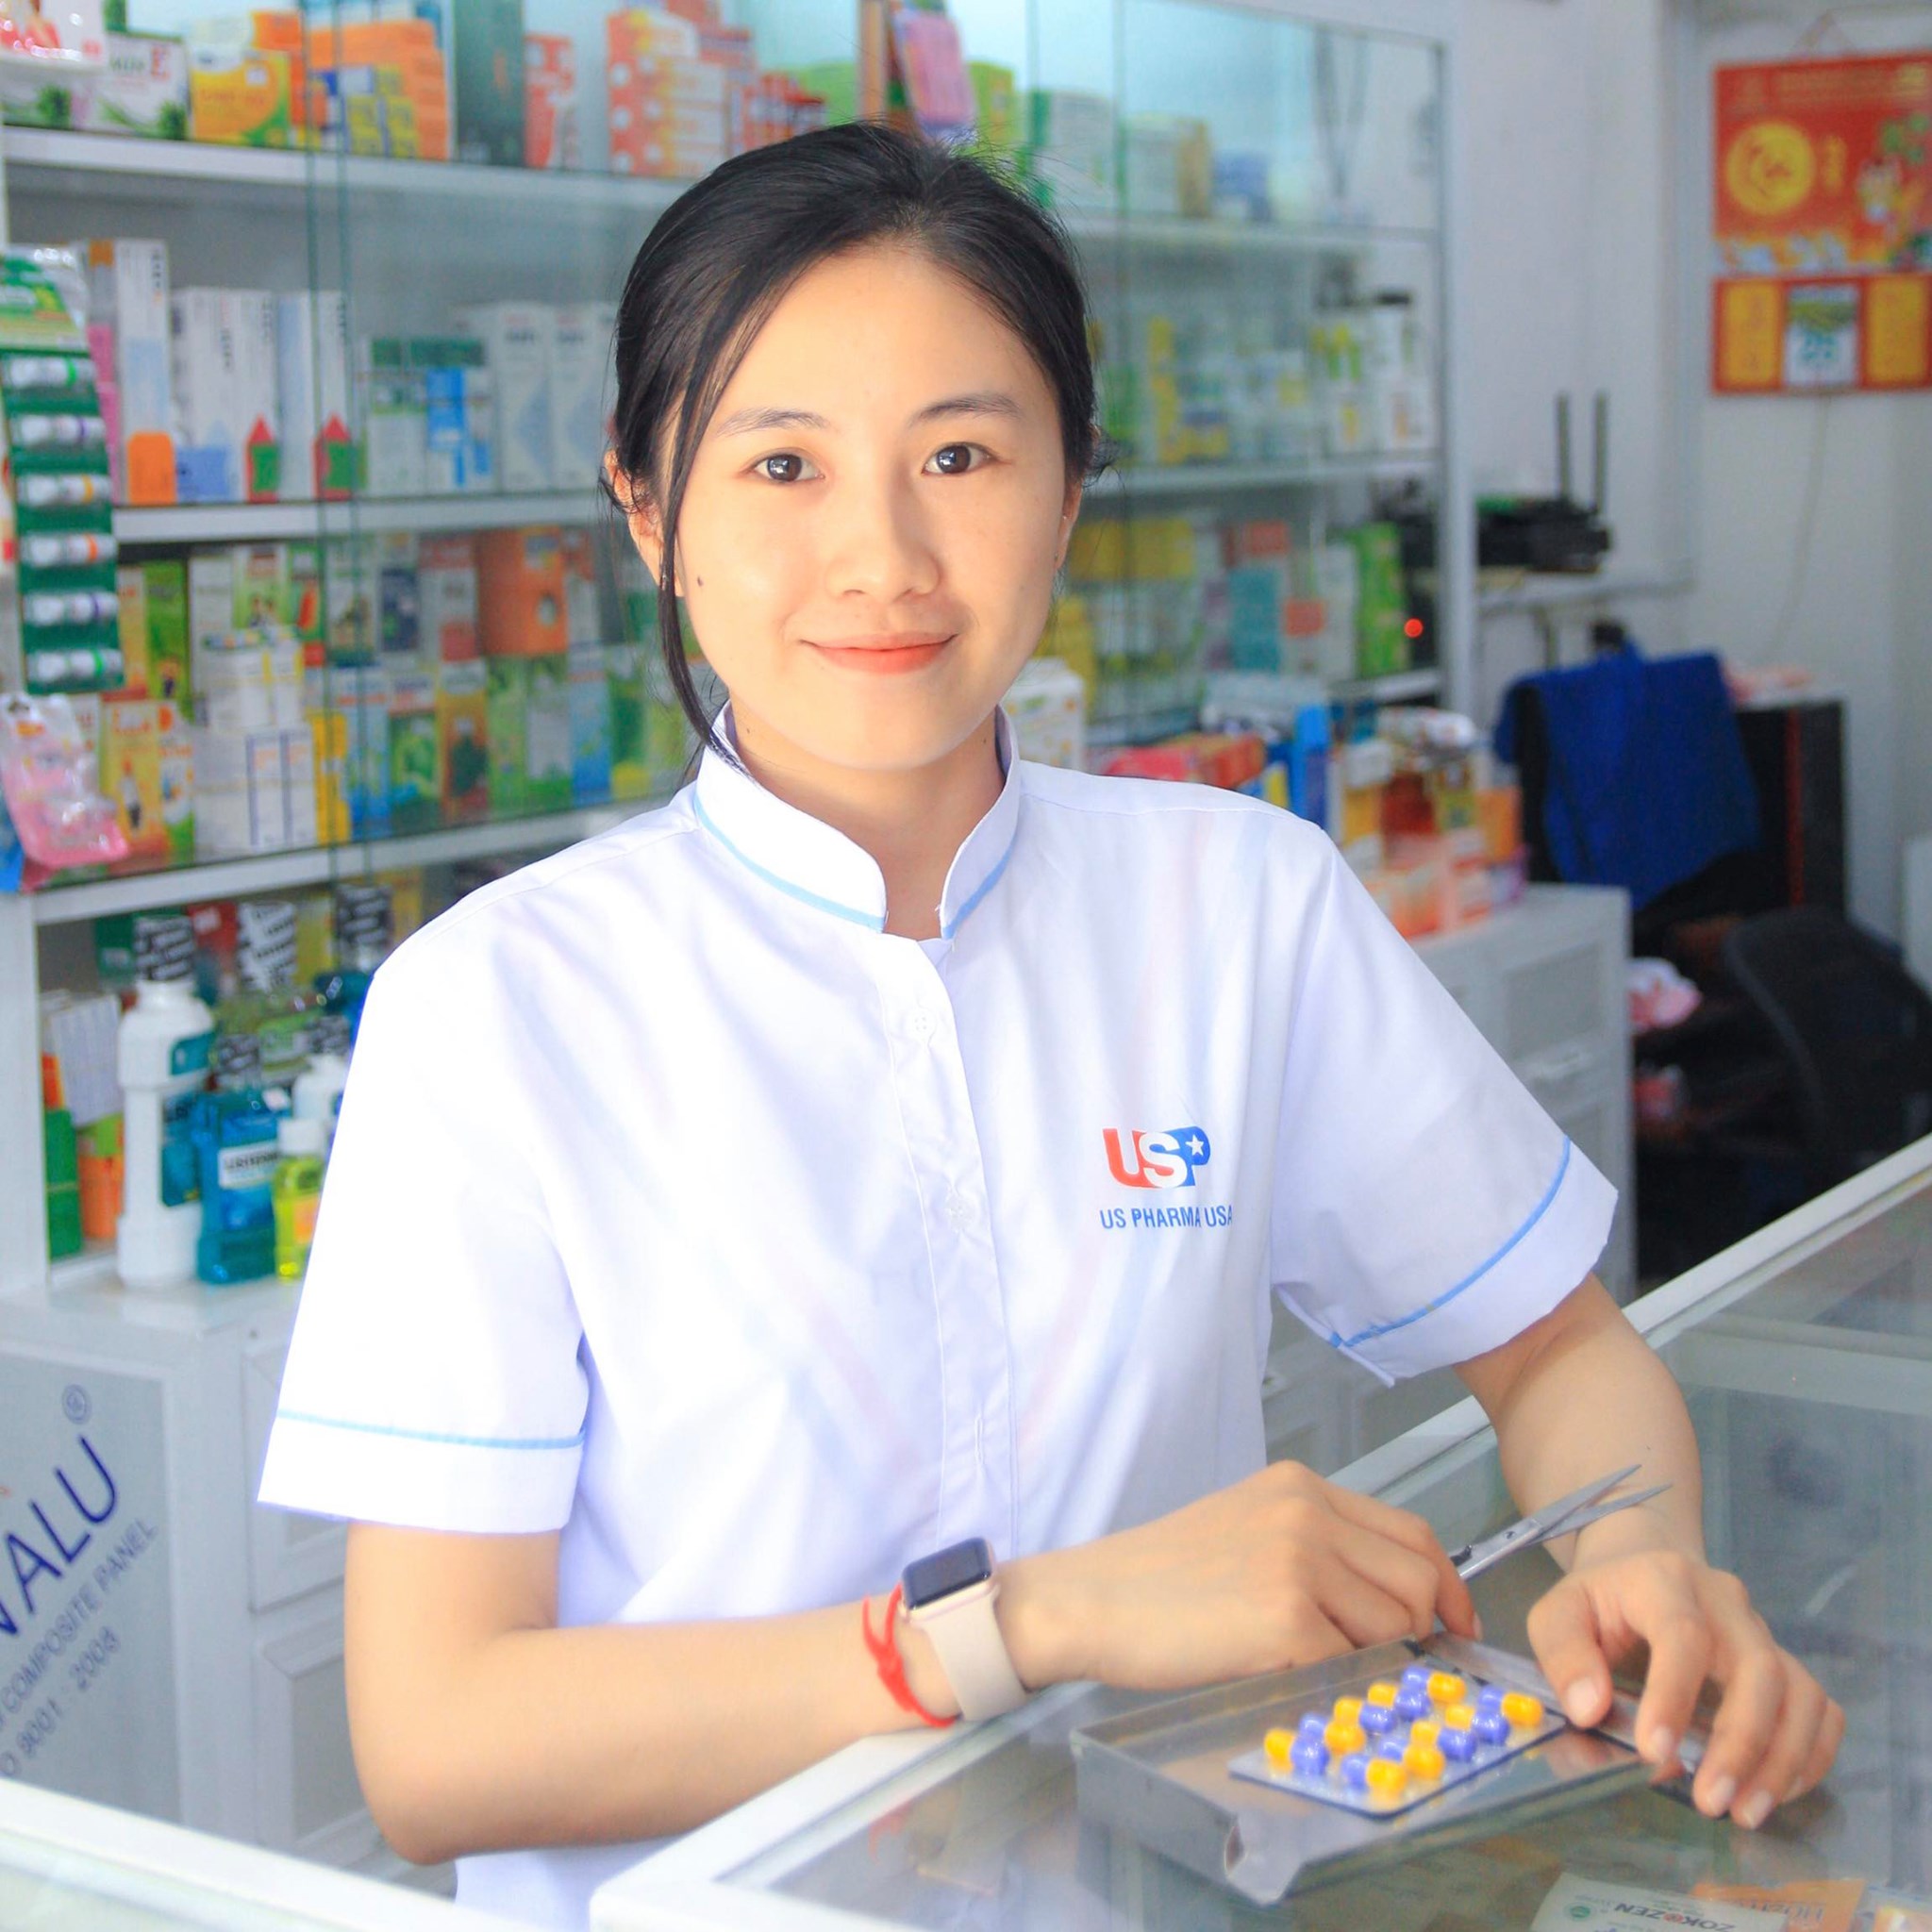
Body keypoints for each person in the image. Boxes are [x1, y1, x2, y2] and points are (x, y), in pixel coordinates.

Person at [259, 124, 1841, 1928]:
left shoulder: (1238, 902)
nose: (883, 557)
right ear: (647, 511)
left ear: (1071, 489)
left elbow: (1555, 1351)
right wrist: (1036, 1620)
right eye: (781, 464)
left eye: (961, 454)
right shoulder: (499, 1005)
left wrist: (1644, 1562)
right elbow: (440, 1742)